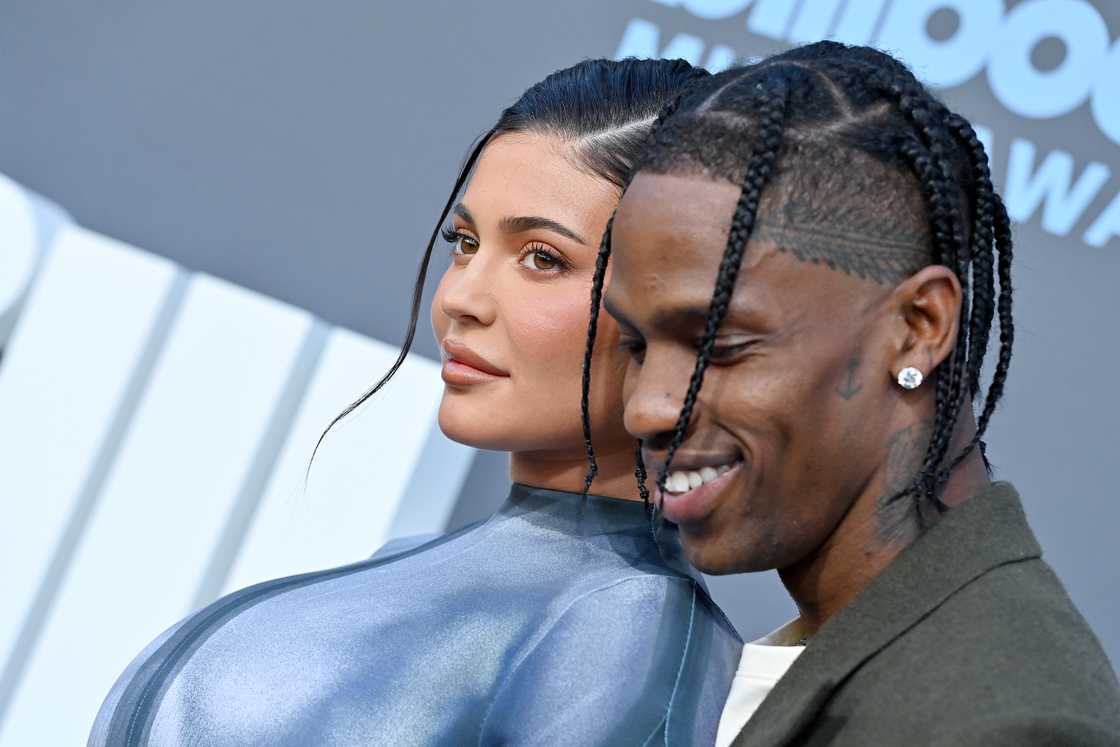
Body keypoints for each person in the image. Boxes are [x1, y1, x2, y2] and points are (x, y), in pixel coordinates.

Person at [89, 59, 741, 746]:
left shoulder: (629, 629)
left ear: (684, 312)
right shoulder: (423, 563)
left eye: (542, 257)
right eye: (465, 244)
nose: (458, 298)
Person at [586, 42, 1120, 746]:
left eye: (719, 346)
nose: (647, 407)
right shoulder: (861, 646)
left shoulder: (1002, 725)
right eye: (637, 345)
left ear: (918, 327)